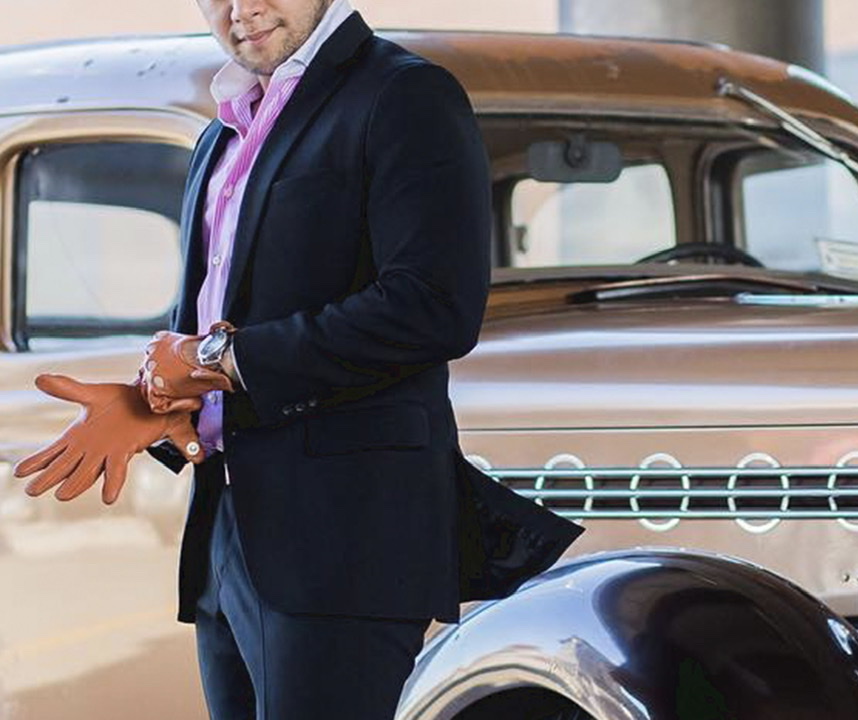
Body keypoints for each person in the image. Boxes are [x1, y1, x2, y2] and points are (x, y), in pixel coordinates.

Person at [13, 0, 585, 717]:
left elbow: (432, 304)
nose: (239, 8)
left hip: (342, 544)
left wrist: (218, 361)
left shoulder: (403, 95)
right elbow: (208, 323)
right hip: (227, 532)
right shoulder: (219, 136)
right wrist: (150, 401)